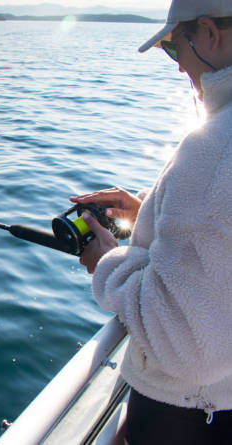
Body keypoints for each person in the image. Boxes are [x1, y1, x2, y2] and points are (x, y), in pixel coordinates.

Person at [69, 1, 232, 444]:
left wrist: (109, 261)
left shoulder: (213, 148)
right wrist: (150, 211)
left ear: (207, 33)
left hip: (190, 416)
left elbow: (185, 337)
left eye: (173, 48)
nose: (179, 68)